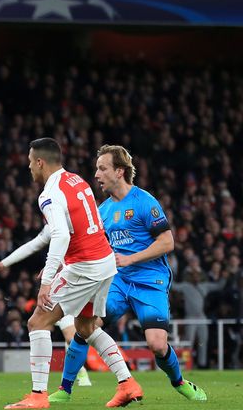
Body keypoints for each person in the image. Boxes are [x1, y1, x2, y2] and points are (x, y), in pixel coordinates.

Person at [0, 138, 143, 409]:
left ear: (40, 162)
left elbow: (58, 236)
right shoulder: (76, 181)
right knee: (86, 326)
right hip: (104, 263)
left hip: (84, 266)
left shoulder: (49, 194)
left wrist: (47, 282)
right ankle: (127, 383)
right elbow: (46, 235)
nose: (29, 168)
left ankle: (37, 395)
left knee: (38, 323)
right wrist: (6, 262)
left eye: (30, 163)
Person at [49, 144, 207, 402]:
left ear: (119, 171)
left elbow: (167, 242)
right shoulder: (103, 211)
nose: (97, 175)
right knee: (87, 325)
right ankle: (65, 390)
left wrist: (130, 258)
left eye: (102, 168)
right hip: (118, 281)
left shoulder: (145, 202)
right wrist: (61, 265)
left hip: (150, 281)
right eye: (96, 169)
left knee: (156, 344)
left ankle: (179, 382)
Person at [56, 315, 92, 386]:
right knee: (35, 326)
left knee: (71, 338)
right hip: (51, 306)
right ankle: (38, 386)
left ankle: (78, 371)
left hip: (69, 308)